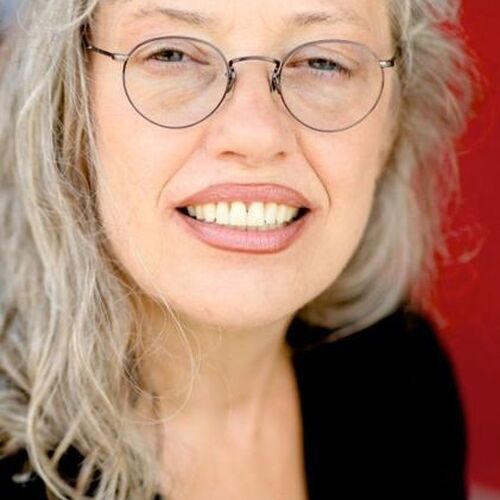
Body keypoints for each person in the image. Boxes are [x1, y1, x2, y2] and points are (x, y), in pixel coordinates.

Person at [0, 0, 476, 498]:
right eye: (172, 55)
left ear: (392, 125)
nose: (255, 134)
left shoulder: (400, 381)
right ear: (69, 107)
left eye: (323, 62)